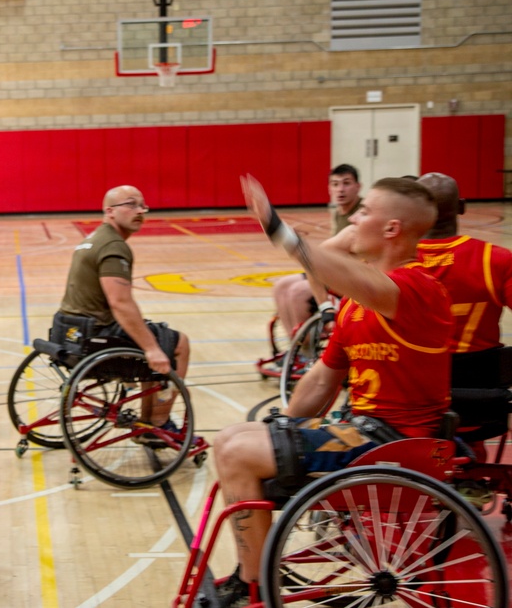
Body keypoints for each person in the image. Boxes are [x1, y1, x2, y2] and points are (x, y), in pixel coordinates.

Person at [213, 175, 452, 607]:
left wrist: (277, 228)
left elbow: (335, 265)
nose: (353, 218)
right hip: (363, 431)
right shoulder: (358, 305)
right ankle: (251, 573)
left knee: (237, 453)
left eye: (363, 212)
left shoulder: (419, 290)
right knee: (235, 437)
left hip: (397, 442)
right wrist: (283, 425)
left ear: (392, 229)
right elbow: (323, 378)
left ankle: (254, 589)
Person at [56, 185, 191, 437]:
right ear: (110, 211)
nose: (140, 211)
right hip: (94, 335)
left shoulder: (94, 238)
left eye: (143, 206)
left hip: (69, 329)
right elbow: (120, 302)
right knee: (178, 344)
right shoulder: (114, 246)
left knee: (154, 335)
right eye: (131, 205)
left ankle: (148, 419)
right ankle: (158, 423)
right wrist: (151, 348)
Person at [416, 172, 512, 441]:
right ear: (462, 207)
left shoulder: (395, 263)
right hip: (482, 404)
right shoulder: (495, 259)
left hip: (414, 407)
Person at [270, 164, 362, 337]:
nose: (340, 189)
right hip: (334, 272)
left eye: (346, 183)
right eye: (335, 184)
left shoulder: (361, 215)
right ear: (329, 189)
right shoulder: (339, 212)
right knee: (280, 286)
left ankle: (304, 352)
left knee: (298, 292)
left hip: (352, 277)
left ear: (358, 186)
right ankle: (294, 346)